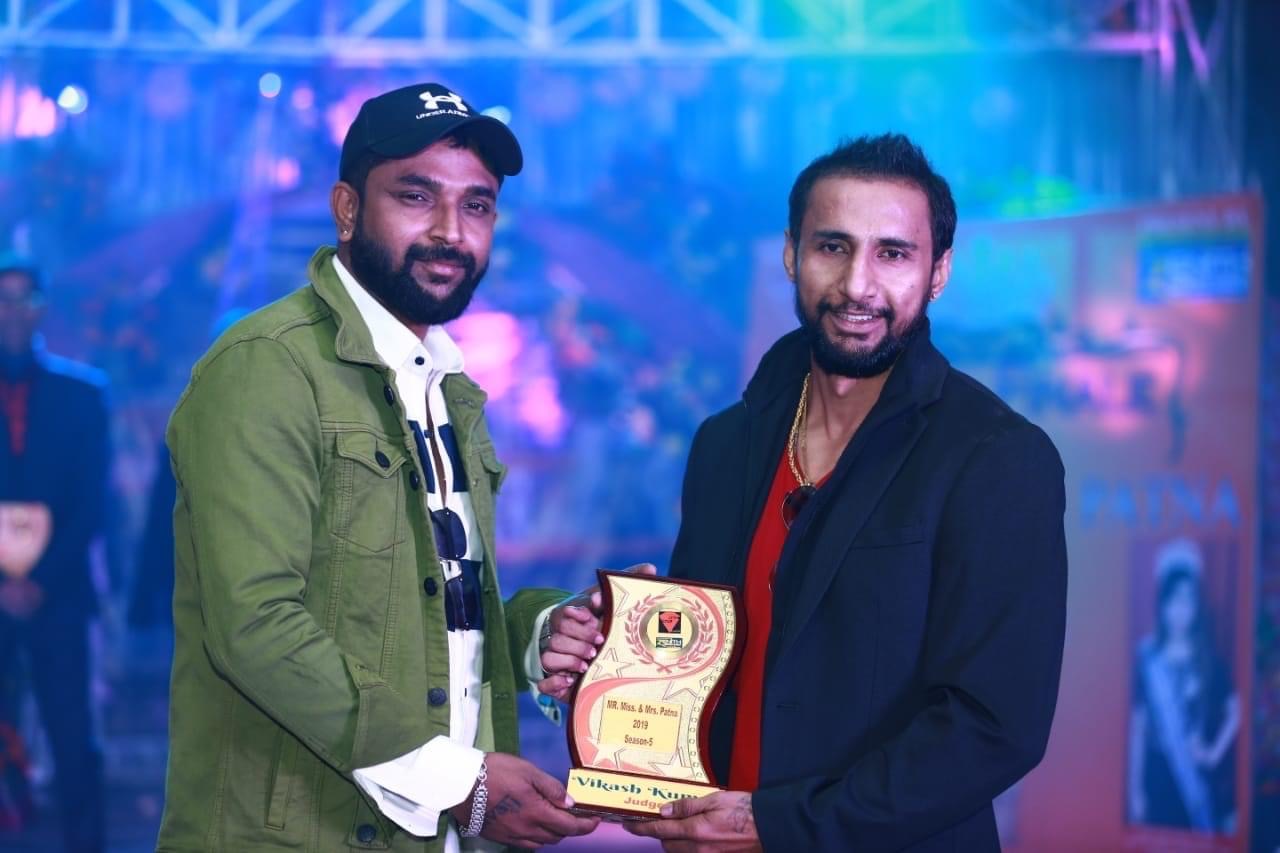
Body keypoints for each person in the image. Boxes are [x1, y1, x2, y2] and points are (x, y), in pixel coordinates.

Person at [541, 134, 1068, 851]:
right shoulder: (726, 445)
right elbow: (700, 665)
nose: (857, 285)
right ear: (792, 255)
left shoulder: (995, 457)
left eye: (893, 253)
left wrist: (780, 824)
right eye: (833, 247)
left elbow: (994, 725)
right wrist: (610, 649)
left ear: (938, 271)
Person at [158, 83, 601, 852]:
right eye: (415, 196)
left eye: (476, 205)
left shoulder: (447, 389)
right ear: (347, 208)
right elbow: (256, 625)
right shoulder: (268, 367)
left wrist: (541, 633)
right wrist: (459, 782)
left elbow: (432, 609)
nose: (449, 232)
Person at [0, 256, 109, 852]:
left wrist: (38, 580)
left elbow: (91, 503)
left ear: (42, 308)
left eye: (25, 299)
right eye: (4, 300)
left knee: (72, 737)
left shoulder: (82, 395)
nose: (14, 312)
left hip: (58, 592)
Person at [1128, 538, 1238, 833]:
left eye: (1188, 601)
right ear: (1162, 604)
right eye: (1174, 600)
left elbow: (1236, 711)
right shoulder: (1147, 660)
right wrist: (1134, 789)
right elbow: (1137, 728)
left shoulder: (1209, 660)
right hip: (1156, 776)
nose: (1180, 610)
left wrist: (1213, 754)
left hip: (1195, 782)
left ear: (1197, 606)